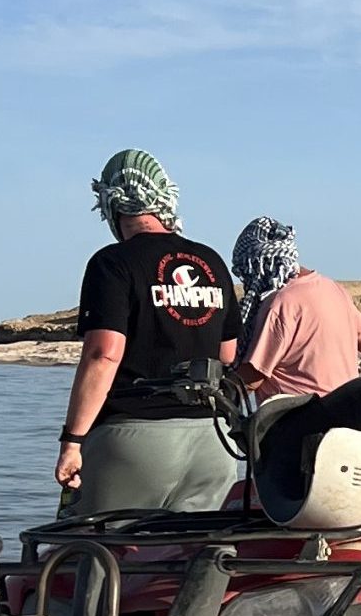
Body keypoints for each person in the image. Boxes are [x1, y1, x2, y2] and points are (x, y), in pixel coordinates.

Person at [55, 149, 243, 514]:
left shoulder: (112, 263)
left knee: (91, 550)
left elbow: (104, 353)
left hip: (134, 438)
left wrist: (72, 441)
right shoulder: (211, 261)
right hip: (212, 439)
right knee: (194, 553)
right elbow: (228, 355)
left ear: (111, 205)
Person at [229, 217, 361, 402]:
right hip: (348, 414)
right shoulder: (333, 289)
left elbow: (252, 378)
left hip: (298, 421)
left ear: (257, 265)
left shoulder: (280, 303)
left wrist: (216, 392)